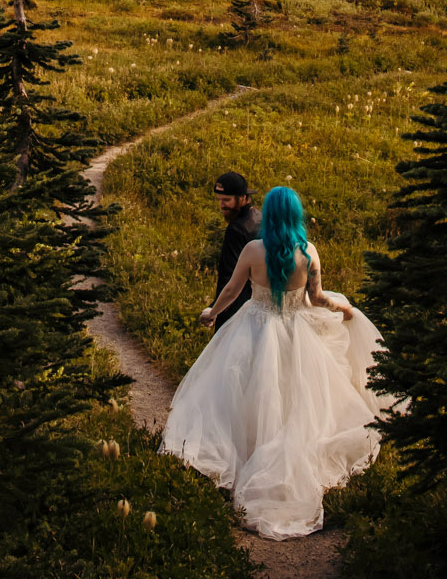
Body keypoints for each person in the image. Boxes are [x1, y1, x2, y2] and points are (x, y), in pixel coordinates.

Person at [162, 185, 388, 541]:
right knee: (296, 398)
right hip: (297, 332)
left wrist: (212, 313)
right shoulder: (308, 252)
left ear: (268, 214)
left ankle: (246, 456)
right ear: (296, 215)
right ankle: (284, 463)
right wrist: (342, 309)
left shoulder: (254, 249)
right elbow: (315, 299)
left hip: (254, 327)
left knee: (246, 394)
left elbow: (232, 291)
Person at [210, 171, 261, 329]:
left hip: (238, 307)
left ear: (243, 198)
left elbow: (229, 274)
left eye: (227, 200)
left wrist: (216, 309)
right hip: (261, 303)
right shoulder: (261, 217)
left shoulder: (237, 229)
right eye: (219, 200)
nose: (222, 205)